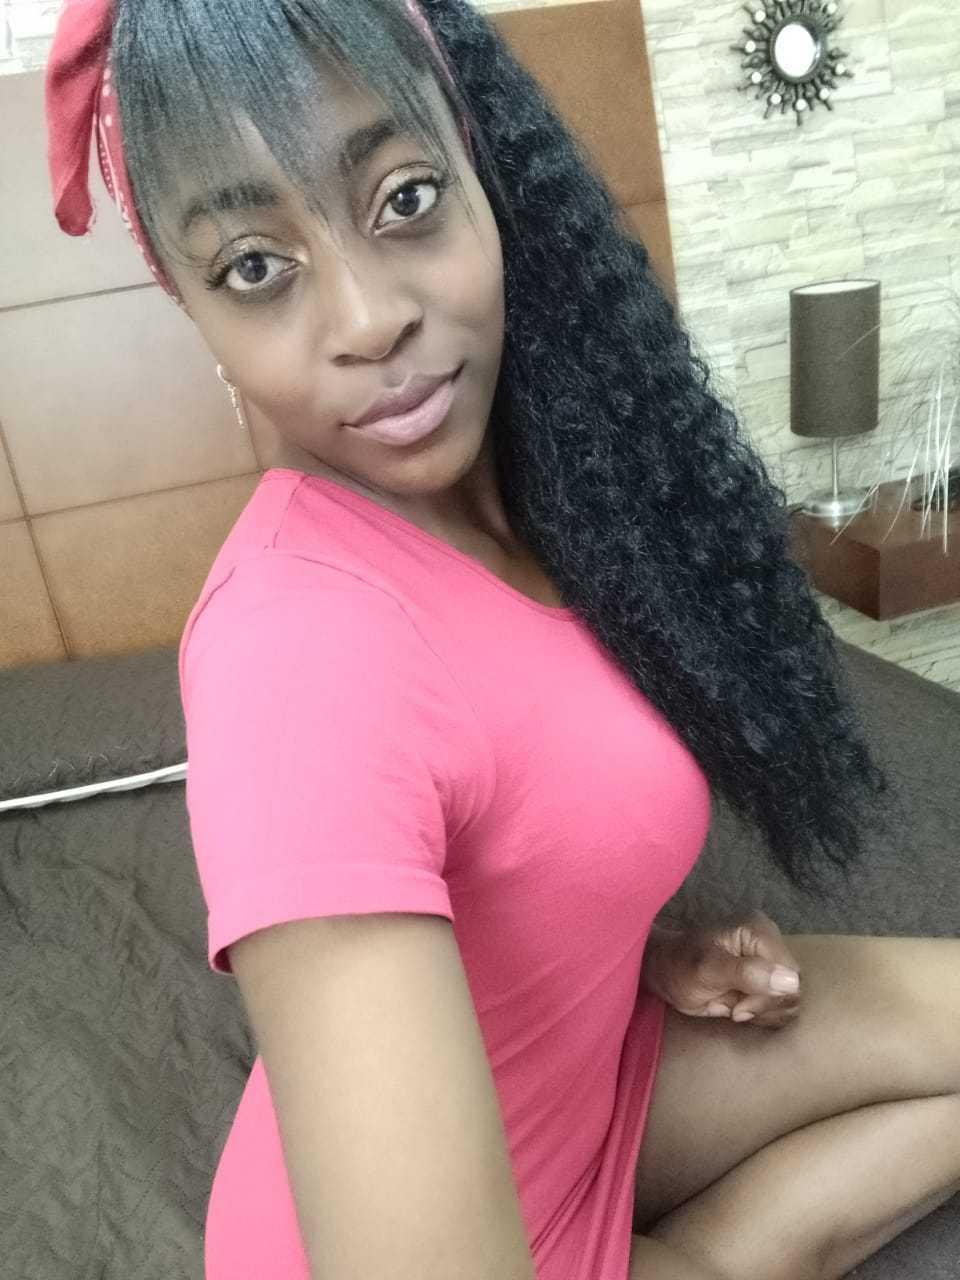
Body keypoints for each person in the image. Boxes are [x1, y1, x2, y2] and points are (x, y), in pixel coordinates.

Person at [44, 3, 960, 1279]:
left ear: (485, 173)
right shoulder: (295, 655)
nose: (369, 317)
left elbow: (518, 804)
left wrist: (641, 949)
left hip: (595, 1073)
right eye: (255, 267)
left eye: (406, 197)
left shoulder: (556, 493)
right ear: (196, 315)